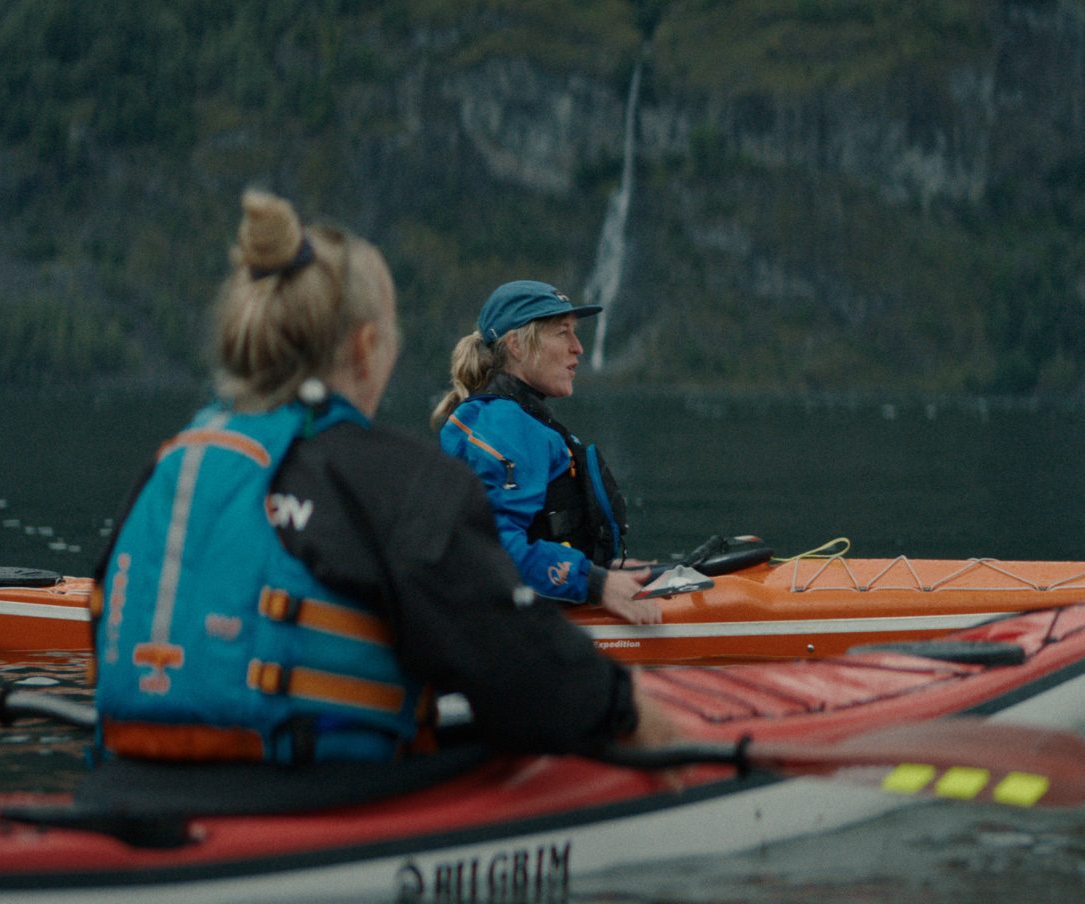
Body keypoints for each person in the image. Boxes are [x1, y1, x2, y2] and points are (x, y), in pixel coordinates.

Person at [88, 191, 677, 767]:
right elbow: (526, 672)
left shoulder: (172, 463)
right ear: (368, 348)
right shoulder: (405, 488)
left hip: (128, 779)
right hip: (318, 804)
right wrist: (644, 721)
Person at [429, 280, 658, 625]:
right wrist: (596, 583)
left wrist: (605, 570)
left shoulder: (508, 416)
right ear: (517, 345)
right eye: (562, 332)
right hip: (516, 622)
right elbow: (492, 549)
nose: (578, 348)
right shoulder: (507, 424)